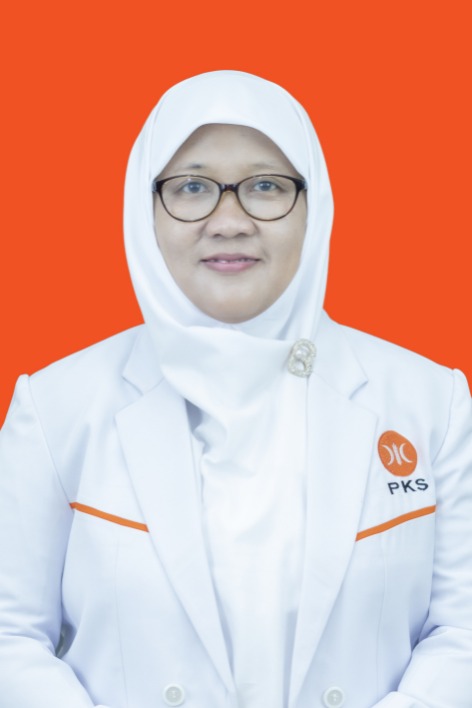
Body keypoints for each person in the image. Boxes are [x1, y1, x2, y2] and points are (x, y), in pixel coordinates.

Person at [0, 71, 472, 708]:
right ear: (145, 209)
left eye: (266, 186)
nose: (229, 222)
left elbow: (461, 630)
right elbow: (10, 634)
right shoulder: (56, 408)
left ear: (314, 207)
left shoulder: (431, 403)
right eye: (192, 187)